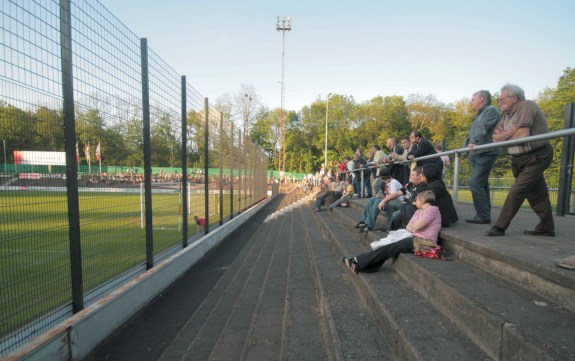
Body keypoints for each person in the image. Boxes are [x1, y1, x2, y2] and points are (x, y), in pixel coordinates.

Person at [485, 84, 555, 237]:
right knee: (537, 193)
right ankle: (546, 227)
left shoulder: (525, 105)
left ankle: (500, 226)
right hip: (518, 159)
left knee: (518, 190)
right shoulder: (506, 116)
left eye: (502, 99)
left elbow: (523, 136)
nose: (499, 102)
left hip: (536, 156)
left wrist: (506, 134)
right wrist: (511, 131)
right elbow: (495, 138)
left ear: (514, 98)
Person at [341, 190, 441, 274]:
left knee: (391, 247)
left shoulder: (432, 210)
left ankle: (357, 261)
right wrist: (413, 228)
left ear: (423, 199)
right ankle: (367, 267)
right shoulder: (419, 211)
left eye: (418, 198)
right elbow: (408, 226)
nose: (415, 200)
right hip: (413, 237)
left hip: (424, 242)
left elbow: (417, 227)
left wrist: (413, 227)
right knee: (389, 246)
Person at [464, 90, 500, 224]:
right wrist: (466, 146)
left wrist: (474, 142)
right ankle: (484, 214)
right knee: (482, 184)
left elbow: (482, 128)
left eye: (473, 99)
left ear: (482, 100)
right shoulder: (478, 114)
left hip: (486, 152)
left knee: (475, 183)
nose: (471, 101)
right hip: (478, 153)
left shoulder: (491, 110)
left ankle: (483, 215)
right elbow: (473, 132)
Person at [354, 168, 403, 233]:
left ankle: (369, 225)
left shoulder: (393, 182)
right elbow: (388, 197)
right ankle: (364, 221)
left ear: (382, 177)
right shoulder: (387, 183)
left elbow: (393, 196)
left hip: (399, 204)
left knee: (378, 201)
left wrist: (382, 201)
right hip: (392, 202)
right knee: (372, 199)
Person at [388, 166, 427, 231]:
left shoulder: (422, 186)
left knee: (395, 215)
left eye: (413, 175)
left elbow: (414, 200)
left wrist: (406, 200)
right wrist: (384, 200)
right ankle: (394, 231)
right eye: (410, 174)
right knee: (389, 202)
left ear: (419, 177)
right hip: (404, 205)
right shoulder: (410, 184)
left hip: (412, 208)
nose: (410, 177)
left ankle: (390, 232)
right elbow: (398, 193)